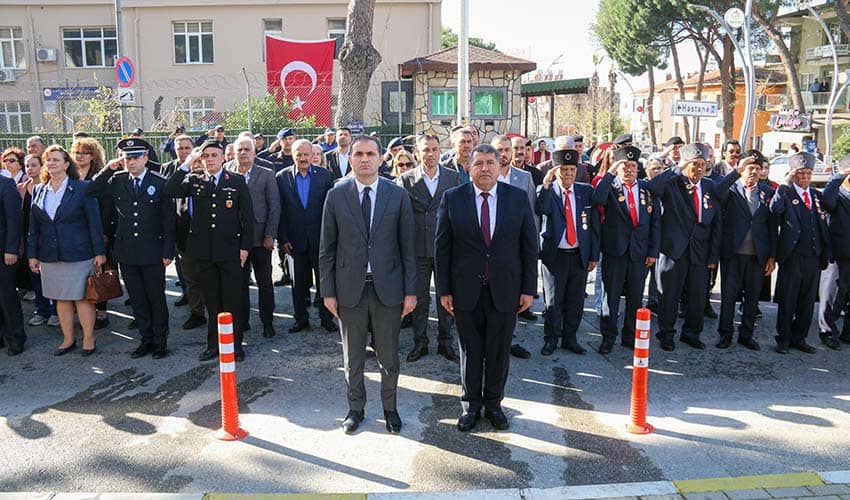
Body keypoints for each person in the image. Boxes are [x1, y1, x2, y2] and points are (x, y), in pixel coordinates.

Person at [435, 143, 538, 432]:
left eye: (490, 163)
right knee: (470, 351)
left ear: (498, 165)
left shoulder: (516, 198)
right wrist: (444, 290)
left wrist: (529, 288)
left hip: (505, 291)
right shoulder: (453, 198)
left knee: (498, 351)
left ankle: (494, 404)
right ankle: (471, 405)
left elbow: (530, 247)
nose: (484, 169)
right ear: (469, 168)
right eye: (478, 163)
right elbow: (442, 248)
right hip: (465, 291)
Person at [319, 135, 417, 435]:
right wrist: (327, 291)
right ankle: (355, 409)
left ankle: (390, 409)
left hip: (387, 288)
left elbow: (407, 247)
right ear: (351, 159)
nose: (364, 159)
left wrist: (411, 292)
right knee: (354, 357)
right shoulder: (336, 195)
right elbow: (327, 247)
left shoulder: (396, 194)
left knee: (389, 356)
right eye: (359, 154)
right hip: (350, 289)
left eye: (370, 154)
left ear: (380, 158)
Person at [164, 140, 254, 362]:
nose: (210, 159)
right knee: (212, 302)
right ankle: (213, 345)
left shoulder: (236, 180)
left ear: (224, 157)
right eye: (206, 156)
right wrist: (188, 162)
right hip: (204, 252)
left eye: (215, 155)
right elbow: (169, 189)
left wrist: (245, 247)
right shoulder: (194, 180)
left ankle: (235, 345)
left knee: (232, 301)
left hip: (230, 251)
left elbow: (248, 219)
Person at [89, 139, 176, 359]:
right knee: (137, 298)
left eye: (136, 157)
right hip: (127, 251)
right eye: (127, 157)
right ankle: (145, 340)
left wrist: (168, 250)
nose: (131, 162)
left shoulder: (159, 181)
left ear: (146, 158)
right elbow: (91, 190)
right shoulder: (117, 179)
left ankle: (160, 341)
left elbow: (168, 220)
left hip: (152, 250)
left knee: (155, 297)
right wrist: (108, 169)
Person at [647, 143, 734, 351]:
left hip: (699, 251)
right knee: (669, 295)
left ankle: (691, 333)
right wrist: (677, 168)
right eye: (694, 164)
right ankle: (666, 334)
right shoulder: (673, 183)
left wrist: (713, 256)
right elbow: (653, 188)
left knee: (697, 296)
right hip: (673, 250)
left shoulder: (710, 186)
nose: (699, 169)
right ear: (686, 164)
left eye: (702, 164)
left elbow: (717, 221)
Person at [28, 145, 106, 357]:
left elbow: (94, 223)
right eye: (48, 160)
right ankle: (68, 339)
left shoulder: (82, 188)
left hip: (79, 253)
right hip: (50, 255)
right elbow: (34, 227)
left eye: (56, 159)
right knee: (60, 299)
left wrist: (99, 252)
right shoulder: (39, 189)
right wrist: (32, 255)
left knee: (81, 298)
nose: (51, 163)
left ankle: (89, 339)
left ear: (66, 164)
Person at [397, 134, 462, 362]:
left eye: (434, 149)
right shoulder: (406, 180)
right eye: (426, 150)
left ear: (440, 151)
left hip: (446, 250)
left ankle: (446, 343)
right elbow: (400, 216)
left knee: (447, 298)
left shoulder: (453, 178)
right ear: (417, 152)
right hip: (417, 250)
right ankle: (420, 343)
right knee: (419, 300)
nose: (431, 154)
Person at [592, 146, 660, 355]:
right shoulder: (610, 188)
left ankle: (629, 336)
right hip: (615, 251)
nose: (629, 170)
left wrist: (652, 252)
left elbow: (655, 223)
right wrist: (610, 172)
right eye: (624, 166)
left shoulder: (647, 189)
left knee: (635, 297)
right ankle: (608, 337)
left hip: (638, 254)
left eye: (632, 166)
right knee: (610, 298)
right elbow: (597, 200)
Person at [537, 149, 599, 356]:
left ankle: (570, 338)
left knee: (575, 299)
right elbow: (542, 209)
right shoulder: (547, 190)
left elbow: (593, 226)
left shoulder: (585, 191)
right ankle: (551, 339)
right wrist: (546, 184)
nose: (569, 174)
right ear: (556, 171)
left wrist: (593, 255)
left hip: (578, 254)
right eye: (564, 170)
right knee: (554, 301)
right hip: (556, 256)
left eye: (572, 169)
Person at [714, 155, 775, 351]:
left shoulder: (767, 192)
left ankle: (746, 335)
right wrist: (736, 172)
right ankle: (725, 334)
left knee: (752, 297)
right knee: (729, 297)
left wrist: (772, 256)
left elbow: (773, 227)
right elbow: (717, 191)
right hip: (733, 253)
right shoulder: (731, 190)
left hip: (757, 255)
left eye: (758, 168)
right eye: (750, 168)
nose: (754, 172)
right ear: (742, 169)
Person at [771, 152, 830, 354]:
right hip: (793, 255)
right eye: (800, 173)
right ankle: (784, 339)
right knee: (788, 298)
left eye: (808, 173)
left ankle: (800, 338)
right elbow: (775, 208)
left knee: (807, 301)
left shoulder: (816, 195)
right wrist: (784, 183)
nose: (804, 177)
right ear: (793, 174)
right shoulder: (786, 193)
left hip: (814, 256)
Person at [277, 139, 337, 334]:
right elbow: (280, 211)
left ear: (313, 155)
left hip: (321, 241)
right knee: (298, 285)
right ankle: (301, 319)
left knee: (324, 282)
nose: (302, 158)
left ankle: (326, 318)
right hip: (294, 242)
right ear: (292, 155)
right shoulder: (281, 177)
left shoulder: (325, 176)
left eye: (306, 154)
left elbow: (331, 211)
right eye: (298, 155)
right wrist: (283, 238)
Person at [228, 136, 280, 339]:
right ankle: (242, 321)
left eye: (246, 150)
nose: (243, 153)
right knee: (239, 284)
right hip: (235, 240)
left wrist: (270, 235)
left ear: (254, 152)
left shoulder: (266, 174)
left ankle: (268, 322)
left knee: (264, 282)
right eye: (239, 149)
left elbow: (274, 206)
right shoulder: (227, 171)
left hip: (260, 239)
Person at [491, 135, 538, 333]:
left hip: (515, 249)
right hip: (488, 247)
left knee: (512, 298)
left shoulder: (524, 178)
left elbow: (532, 215)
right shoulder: (484, 176)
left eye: (506, 150)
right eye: (499, 150)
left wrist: (532, 246)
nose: (503, 154)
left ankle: (510, 340)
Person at [161, 135, 207, 328]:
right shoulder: (177, 173)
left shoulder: (210, 171)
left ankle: (217, 312)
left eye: (188, 148)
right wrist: (186, 166)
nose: (184, 152)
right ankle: (197, 313)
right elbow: (168, 191)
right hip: (184, 234)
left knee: (211, 277)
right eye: (180, 148)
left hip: (210, 236)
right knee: (191, 278)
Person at [70, 136, 113, 330]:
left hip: (98, 230)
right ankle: (84, 310)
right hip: (76, 232)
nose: (80, 156)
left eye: (85, 152)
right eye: (77, 152)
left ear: (93, 156)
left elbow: (106, 207)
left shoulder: (100, 177)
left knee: (99, 273)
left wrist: (104, 233)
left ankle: (102, 311)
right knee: (80, 274)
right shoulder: (69, 176)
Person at [21, 154, 58, 327]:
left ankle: (56, 312)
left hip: (48, 238)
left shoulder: (47, 188)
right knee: (35, 275)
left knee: (53, 277)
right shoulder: (22, 188)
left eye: (33, 165)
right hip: (30, 237)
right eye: (27, 165)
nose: (29, 168)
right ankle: (41, 310)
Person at [821, 156, 850, 349]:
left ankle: (848, 333)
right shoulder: (836, 192)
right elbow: (826, 202)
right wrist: (839, 176)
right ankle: (828, 332)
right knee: (832, 294)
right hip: (839, 252)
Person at [0, 158, 24, 355]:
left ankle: (16, 337)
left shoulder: (6, 185)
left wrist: (11, 250)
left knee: (7, 296)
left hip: (3, 253)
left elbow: (14, 221)